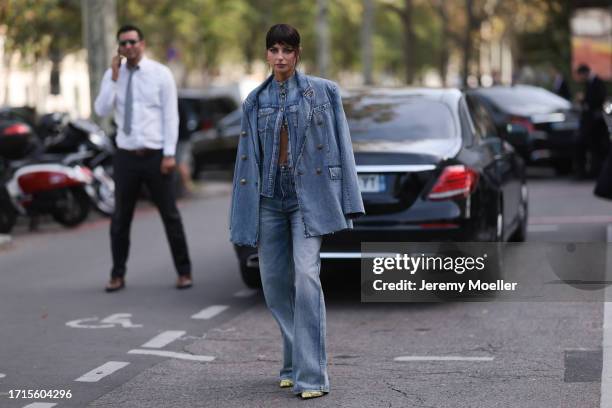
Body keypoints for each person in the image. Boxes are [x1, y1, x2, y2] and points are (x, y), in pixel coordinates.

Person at [229, 24, 364, 400]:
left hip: (308, 199)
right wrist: (242, 212)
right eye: (274, 50)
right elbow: (247, 162)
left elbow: (343, 147)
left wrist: (349, 201)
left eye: (287, 50)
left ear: (298, 53)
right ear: (267, 55)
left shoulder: (323, 92)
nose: (281, 57)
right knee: (273, 287)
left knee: (306, 278)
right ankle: (291, 362)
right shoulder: (254, 101)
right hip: (270, 200)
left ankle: (312, 376)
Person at [94, 24, 192, 292]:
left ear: (142, 43)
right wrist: (113, 78)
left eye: (132, 42)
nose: (128, 47)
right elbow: (101, 108)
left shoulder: (160, 74)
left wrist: (170, 154)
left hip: (156, 155)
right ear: (119, 48)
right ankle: (117, 275)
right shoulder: (113, 75)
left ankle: (184, 272)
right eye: (123, 44)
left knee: (170, 215)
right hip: (126, 155)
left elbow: (171, 116)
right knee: (120, 218)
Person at [574, 64, 608, 178]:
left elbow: (600, 99)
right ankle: (589, 172)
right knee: (590, 147)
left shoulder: (597, 82)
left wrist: (584, 100)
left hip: (595, 123)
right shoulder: (589, 83)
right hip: (589, 122)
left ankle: (595, 172)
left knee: (596, 148)